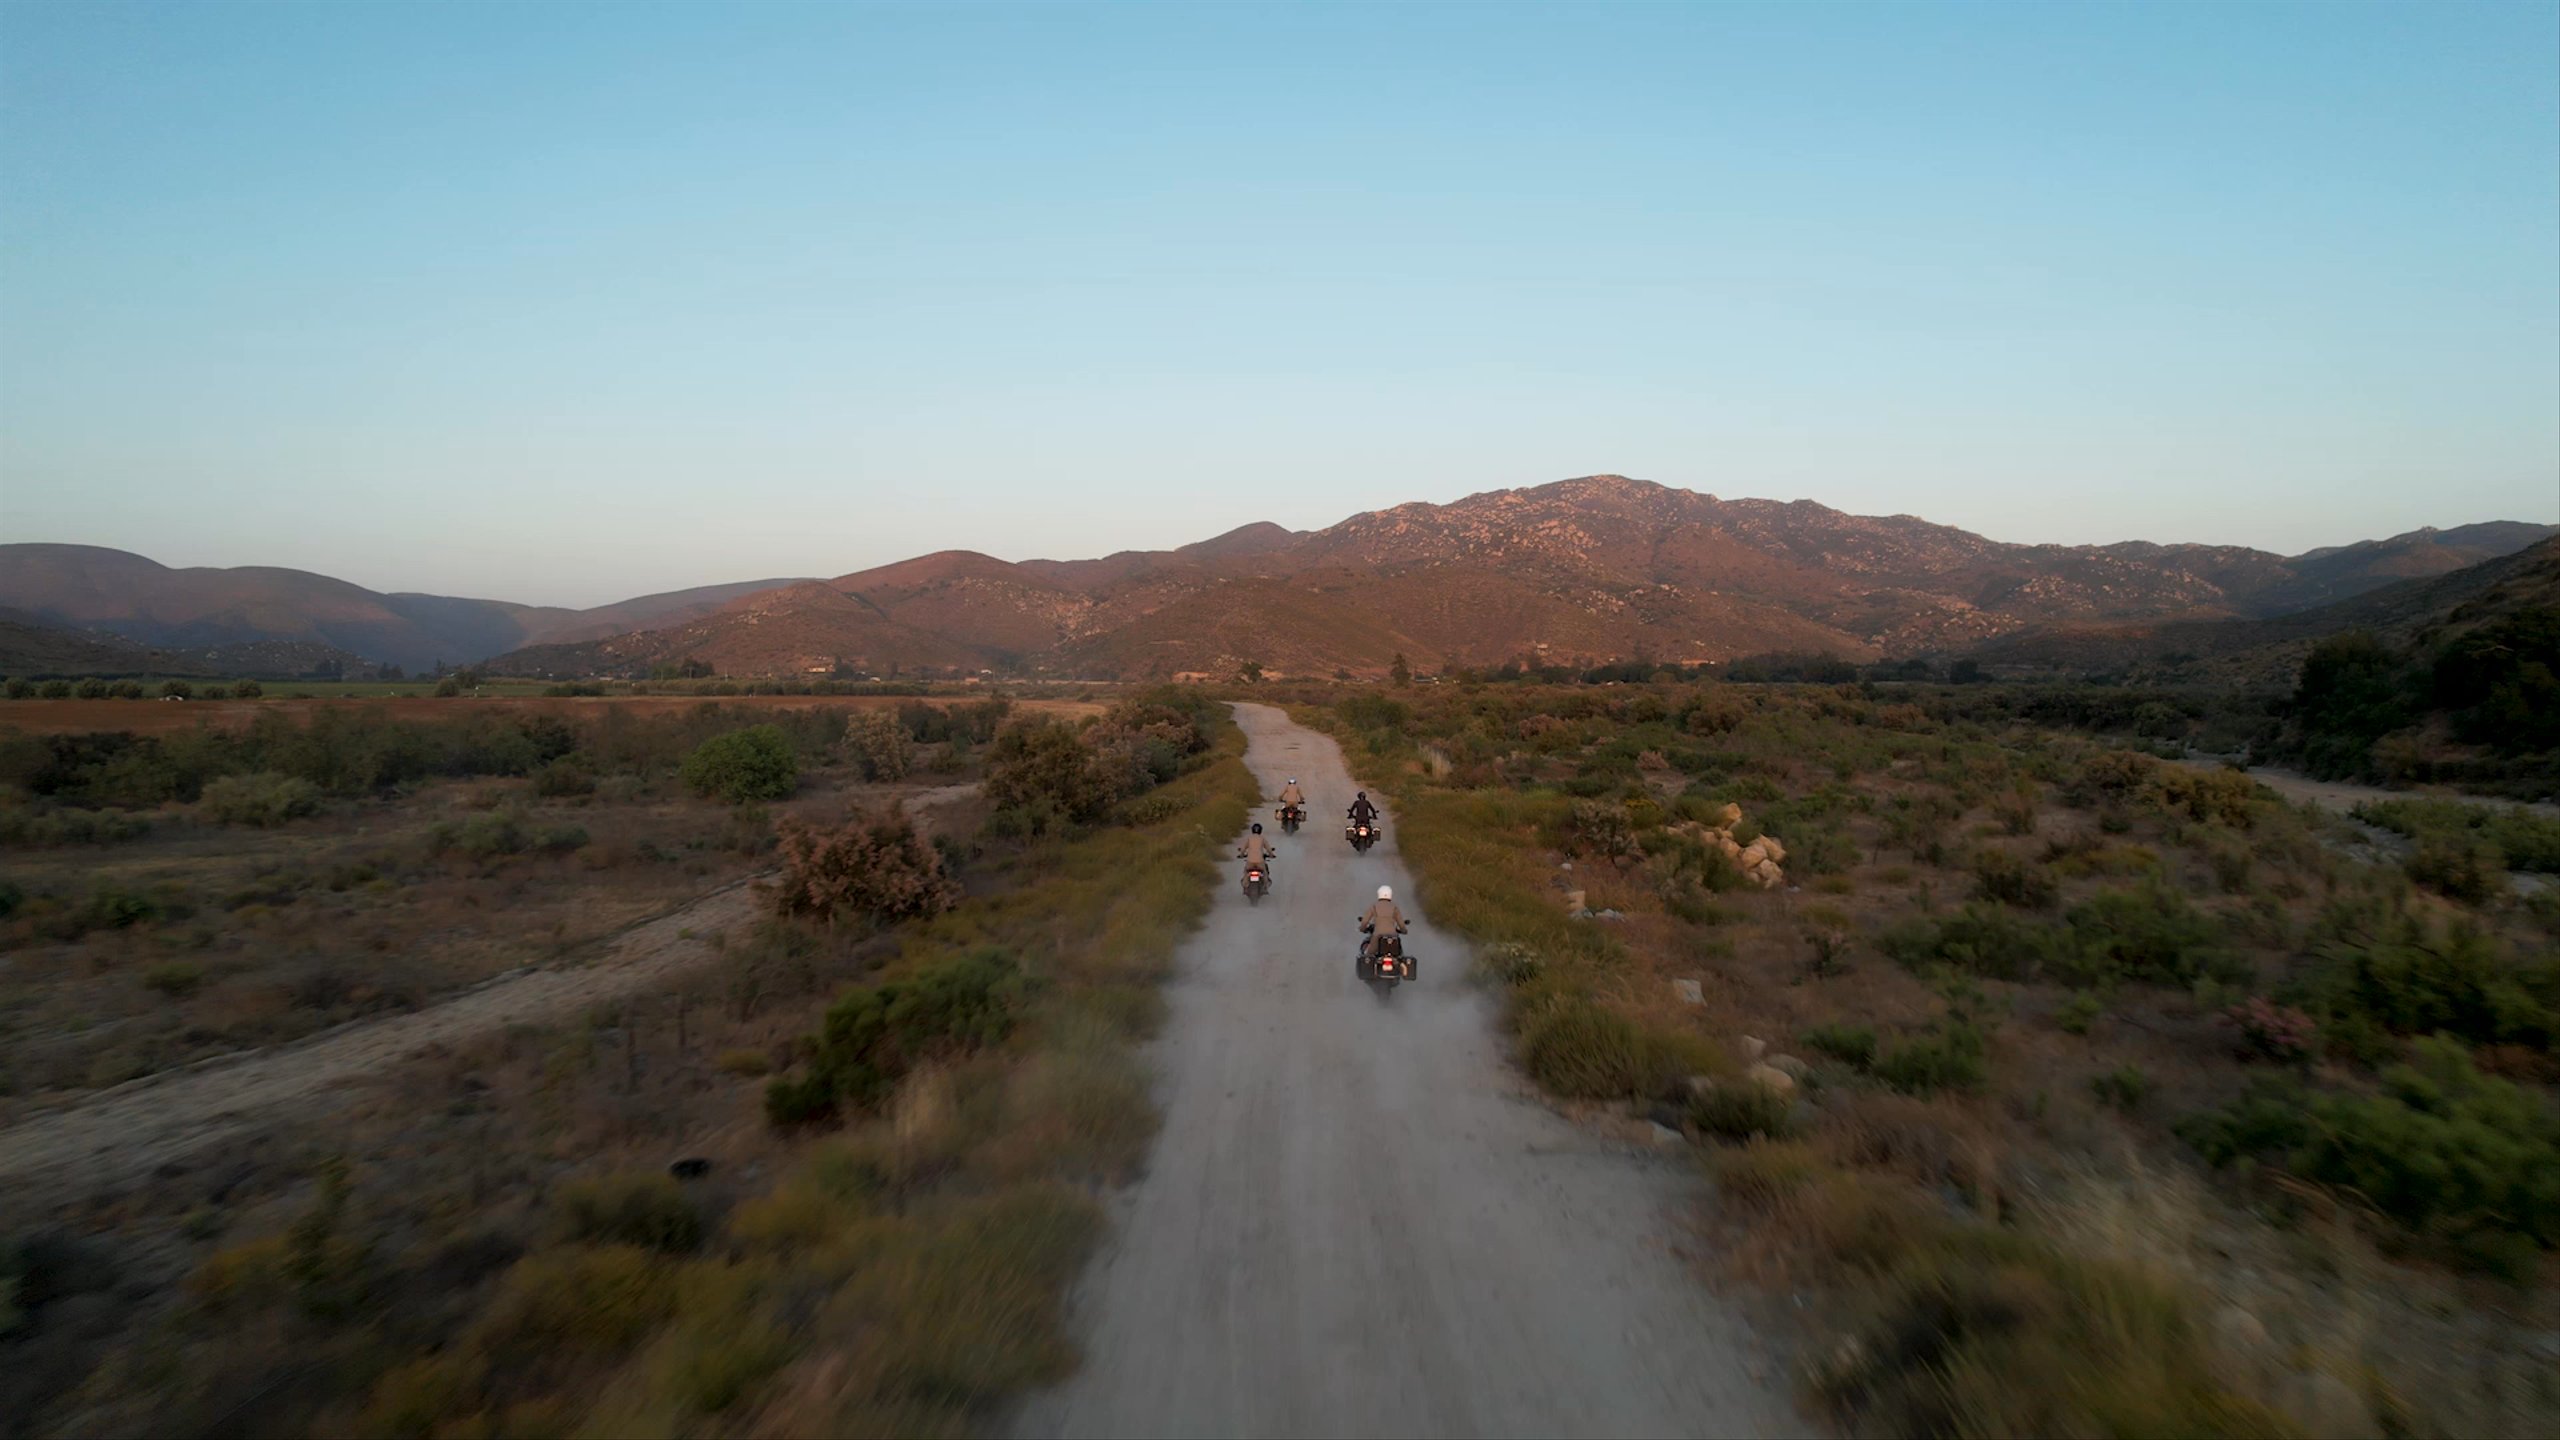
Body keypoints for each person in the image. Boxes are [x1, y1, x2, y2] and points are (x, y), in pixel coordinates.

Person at [1357, 883, 1406, 962]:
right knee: (1399, 956)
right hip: (1393, 937)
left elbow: (1365, 921)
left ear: (1379, 894)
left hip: (1377, 936)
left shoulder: (1374, 906)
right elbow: (1401, 924)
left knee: (1367, 957)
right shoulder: (1394, 907)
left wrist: (1362, 928)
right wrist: (1404, 930)